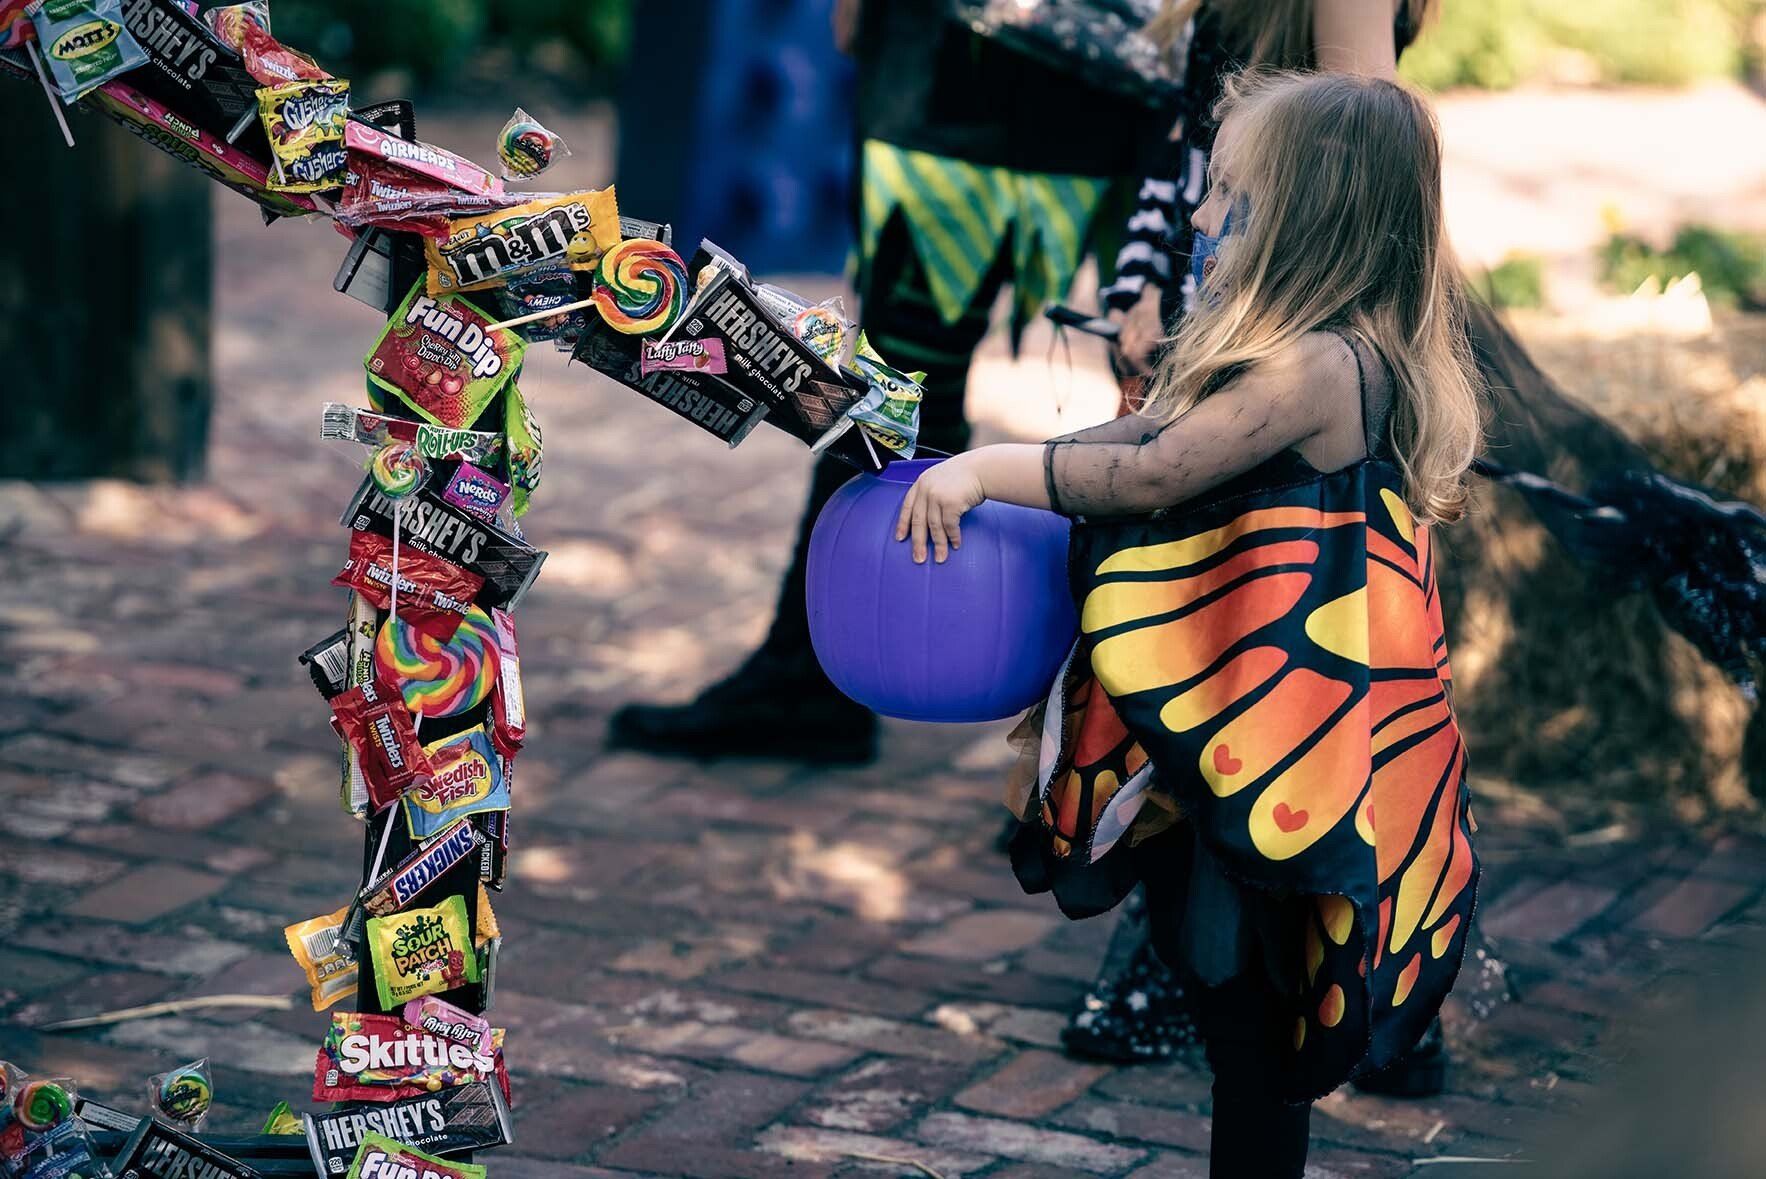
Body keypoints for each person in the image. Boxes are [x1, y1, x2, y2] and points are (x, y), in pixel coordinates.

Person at [900, 69, 1481, 1177]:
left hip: (1271, 749)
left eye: (1227, 196)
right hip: (1259, 727)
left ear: (1301, 219)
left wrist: (984, 471)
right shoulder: (1339, 351)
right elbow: (1148, 439)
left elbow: (1155, 470)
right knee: (1229, 985)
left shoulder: (1319, 366)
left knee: (1248, 999)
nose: (1202, 220)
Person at [608, 0, 1164, 764]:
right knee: (1133, 374)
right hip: (1121, 70)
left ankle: (814, 683)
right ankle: (1106, 730)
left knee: (902, 379)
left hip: (963, 78)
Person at [1070, 0, 1455, 1081]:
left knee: (1251, 661)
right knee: (1198, 641)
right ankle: (1220, 947)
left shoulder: (1323, 349)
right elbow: (1176, 132)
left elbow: (1371, 154)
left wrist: (1246, 344)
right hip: (1232, 288)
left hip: (1277, 309)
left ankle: (1323, 972)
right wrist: (1142, 276)